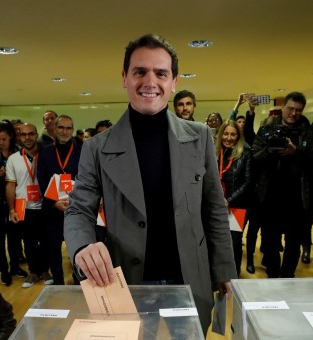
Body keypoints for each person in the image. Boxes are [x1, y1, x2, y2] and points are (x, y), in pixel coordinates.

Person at [63, 34, 236, 334]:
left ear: (174, 81)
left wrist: (224, 270)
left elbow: (214, 208)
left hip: (189, 277)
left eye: (161, 73)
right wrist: (81, 247)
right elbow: (79, 210)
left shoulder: (200, 137)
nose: (150, 81)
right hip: (128, 281)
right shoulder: (97, 147)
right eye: (140, 71)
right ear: (125, 78)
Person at [252, 91, 313, 278]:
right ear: (283, 107)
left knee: (294, 242)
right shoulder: (267, 127)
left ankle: (287, 277)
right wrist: (270, 150)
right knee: (270, 240)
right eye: (290, 108)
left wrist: (296, 151)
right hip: (270, 193)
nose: (293, 113)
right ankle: (272, 275)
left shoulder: (306, 130)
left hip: (297, 196)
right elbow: (255, 157)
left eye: (298, 110)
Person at [6, 123, 53, 288]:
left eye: (31, 134)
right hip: (25, 208)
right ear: (19, 136)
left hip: (46, 206)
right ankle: (33, 272)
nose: (27, 138)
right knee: (29, 242)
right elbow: (11, 185)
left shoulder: (47, 156)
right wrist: (11, 209)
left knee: (47, 241)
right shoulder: (13, 159)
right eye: (23, 134)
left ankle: (46, 270)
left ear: (36, 135)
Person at [37, 115, 81, 285]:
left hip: (76, 207)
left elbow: (86, 178)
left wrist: (75, 201)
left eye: (68, 128)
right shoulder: (46, 152)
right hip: (52, 207)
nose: (65, 131)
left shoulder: (81, 150)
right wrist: (54, 201)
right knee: (53, 247)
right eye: (61, 127)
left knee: (76, 246)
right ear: (54, 129)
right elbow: (42, 179)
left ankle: (78, 279)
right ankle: (58, 281)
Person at [0, 121, 27, 286]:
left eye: (3, 138)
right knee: (0, 236)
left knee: (15, 236)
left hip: (16, 199)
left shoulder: (19, 152)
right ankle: (3, 269)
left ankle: (15, 266)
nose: (0, 142)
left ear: (11, 136)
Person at [215, 120, 252, 276]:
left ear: (238, 136)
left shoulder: (245, 154)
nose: (228, 138)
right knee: (217, 243)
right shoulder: (213, 152)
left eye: (233, 134)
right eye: (226, 133)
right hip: (215, 205)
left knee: (234, 244)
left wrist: (228, 200)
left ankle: (234, 277)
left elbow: (247, 182)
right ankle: (218, 276)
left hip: (236, 207)